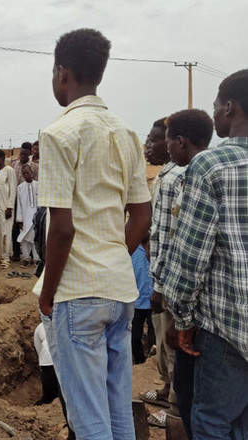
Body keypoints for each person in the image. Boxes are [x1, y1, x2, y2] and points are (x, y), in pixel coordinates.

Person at [33, 29, 152, 439]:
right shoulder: (126, 133)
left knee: (88, 419)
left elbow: (62, 229)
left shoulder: (59, 134)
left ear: (62, 73)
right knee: (117, 410)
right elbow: (141, 217)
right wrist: (113, 255)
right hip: (119, 289)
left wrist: (47, 293)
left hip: (77, 293)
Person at [161, 105, 228, 440]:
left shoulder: (198, 173)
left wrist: (181, 319)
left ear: (181, 141)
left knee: (200, 408)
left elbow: (189, 255)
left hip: (208, 318)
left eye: (168, 140)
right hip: (229, 316)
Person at [139, 117, 186, 427]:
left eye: (153, 140)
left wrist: (159, 286)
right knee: (161, 335)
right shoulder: (164, 175)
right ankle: (167, 389)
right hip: (159, 273)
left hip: (167, 279)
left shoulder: (174, 178)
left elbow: (171, 235)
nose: (148, 146)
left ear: (171, 143)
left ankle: (173, 409)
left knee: (172, 340)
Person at [131, 236, 154, 365]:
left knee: (154, 336)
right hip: (136, 302)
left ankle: (152, 361)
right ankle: (140, 362)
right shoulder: (132, 249)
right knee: (134, 337)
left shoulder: (156, 245)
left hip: (154, 302)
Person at [16, 163, 39, 267]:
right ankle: (26, 258)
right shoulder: (20, 187)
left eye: (27, 173)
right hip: (25, 217)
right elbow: (19, 204)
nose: (26, 175)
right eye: (24, 173)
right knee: (25, 238)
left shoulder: (38, 185)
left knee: (35, 237)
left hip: (36, 216)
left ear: (32, 173)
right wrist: (19, 219)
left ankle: (37, 258)